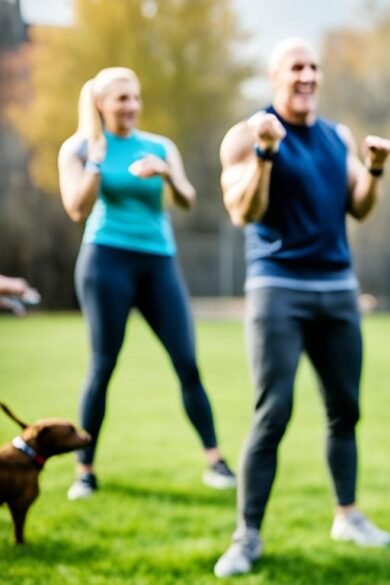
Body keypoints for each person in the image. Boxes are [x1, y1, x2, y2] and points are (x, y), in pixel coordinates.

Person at [213, 38, 390, 578]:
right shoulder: (248, 134)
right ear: (275, 76)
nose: (307, 75)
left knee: (346, 411)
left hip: (337, 287)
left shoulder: (335, 136)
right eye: (296, 67)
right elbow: (244, 210)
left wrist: (375, 168)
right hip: (278, 287)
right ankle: (247, 536)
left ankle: (348, 516)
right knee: (274, 413)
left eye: (314, 66)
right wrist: (267, 154)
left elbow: (358, 208)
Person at [55, 67, 236, 501]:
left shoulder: (160, 146)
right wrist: (96, 161)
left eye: (135, 97)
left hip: (159, 263)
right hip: (106, 263)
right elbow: (76, 208)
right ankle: (85, 470)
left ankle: (215, 461)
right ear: (101, 104)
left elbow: (188, 200)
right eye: (121, 99)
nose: (131, 106)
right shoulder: (79, 148)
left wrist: (168, 175)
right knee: (103, 366)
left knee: (187, 363)